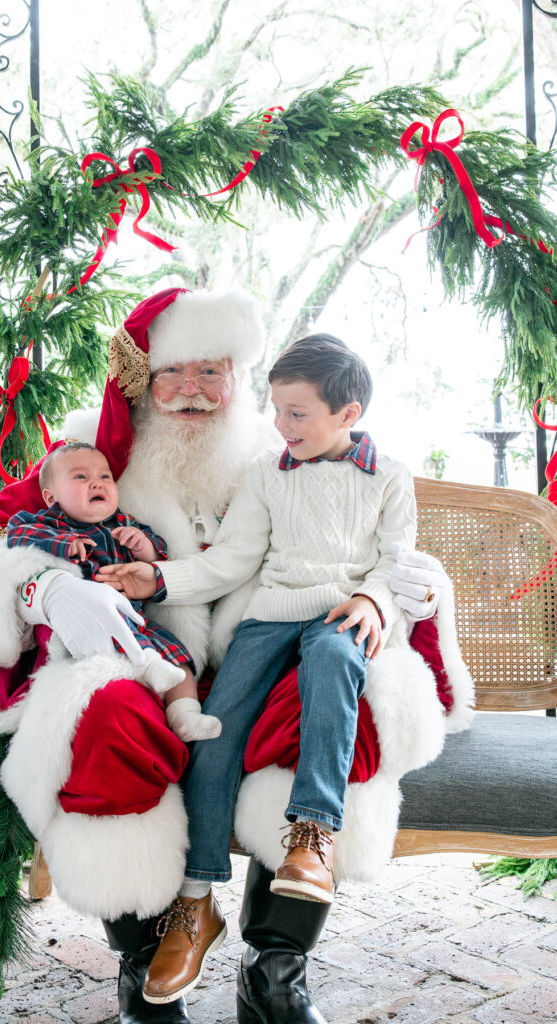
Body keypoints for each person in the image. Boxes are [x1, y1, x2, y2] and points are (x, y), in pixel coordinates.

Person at [0, 288, 473, 1024]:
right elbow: (4, 545)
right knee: (105, 719)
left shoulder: (275, 449)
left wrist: (400, 590)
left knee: (339, 701)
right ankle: (142, 967)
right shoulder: (92, 453)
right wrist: (45, 592)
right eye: (172, 373)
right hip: (134, 658)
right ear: (141, 381)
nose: (190, 390)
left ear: (238, 377)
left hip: (272, 642)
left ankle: (276, 971)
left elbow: (376, 550)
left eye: (211, 371)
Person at [100, 333, 418, 1004]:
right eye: (275, 411)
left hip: (343, 614)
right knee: (217, 731)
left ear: (347, 414)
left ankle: (312, 835)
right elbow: (231, 560)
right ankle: (195, 901)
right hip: (269, 616)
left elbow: (398, 560)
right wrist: (155, 578)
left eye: (297, 413)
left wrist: (374, 599)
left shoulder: (387, 475)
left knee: (333, 667)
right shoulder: (268, 474)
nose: (281, 426)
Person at [5, 442, 221, 741]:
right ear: (51, 497)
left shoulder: (124, 523)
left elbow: (159, 556)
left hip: (135, 619)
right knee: (120, 651)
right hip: (86, 625)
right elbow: (19, 534)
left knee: (179, 660)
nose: (96, 482)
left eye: (105, 477)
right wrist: (64, 544)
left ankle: (185, 715)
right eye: (80, 477)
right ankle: (148, 668)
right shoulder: (49, 523)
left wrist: (143, 545)